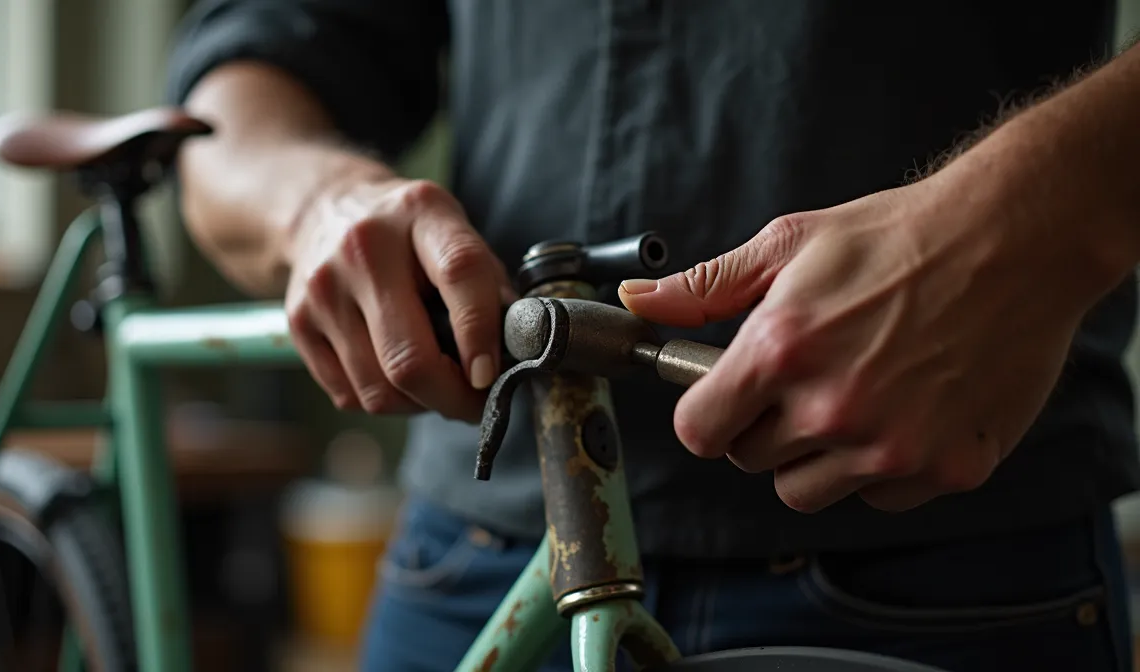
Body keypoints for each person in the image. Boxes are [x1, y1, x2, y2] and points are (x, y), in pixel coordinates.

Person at [165, 2, 1140, 670]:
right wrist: (316, 202)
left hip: (948, 558)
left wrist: (1025, 218)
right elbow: (247, 79)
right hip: (482, 549)